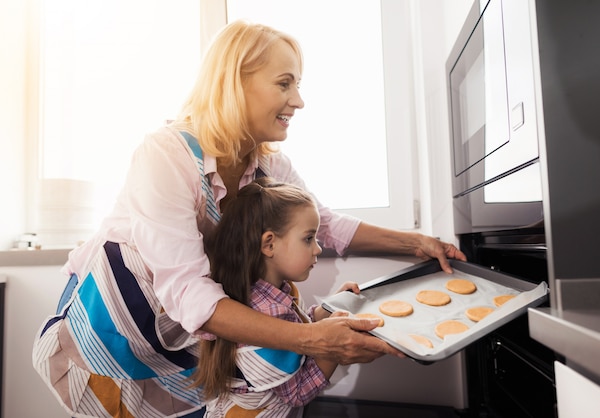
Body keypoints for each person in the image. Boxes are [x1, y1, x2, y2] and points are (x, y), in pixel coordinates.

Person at [32, 19, 466, 418]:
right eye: (284, 83)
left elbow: (327, 224)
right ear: (234, 83)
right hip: (113, 325)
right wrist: (313, 340)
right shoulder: (165, 155)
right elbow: (189, 292)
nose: (298, 100)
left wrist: (417, 244)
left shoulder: (268, 167)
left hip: (181, 335)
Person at [194, 177, 358, 417]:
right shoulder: (268, 312)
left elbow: (297, 328)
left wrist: (329, 309)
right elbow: (299, 391)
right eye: (308, 238)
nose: (318, 249)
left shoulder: (268, 293)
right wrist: (336, 347)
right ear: (269, 244)